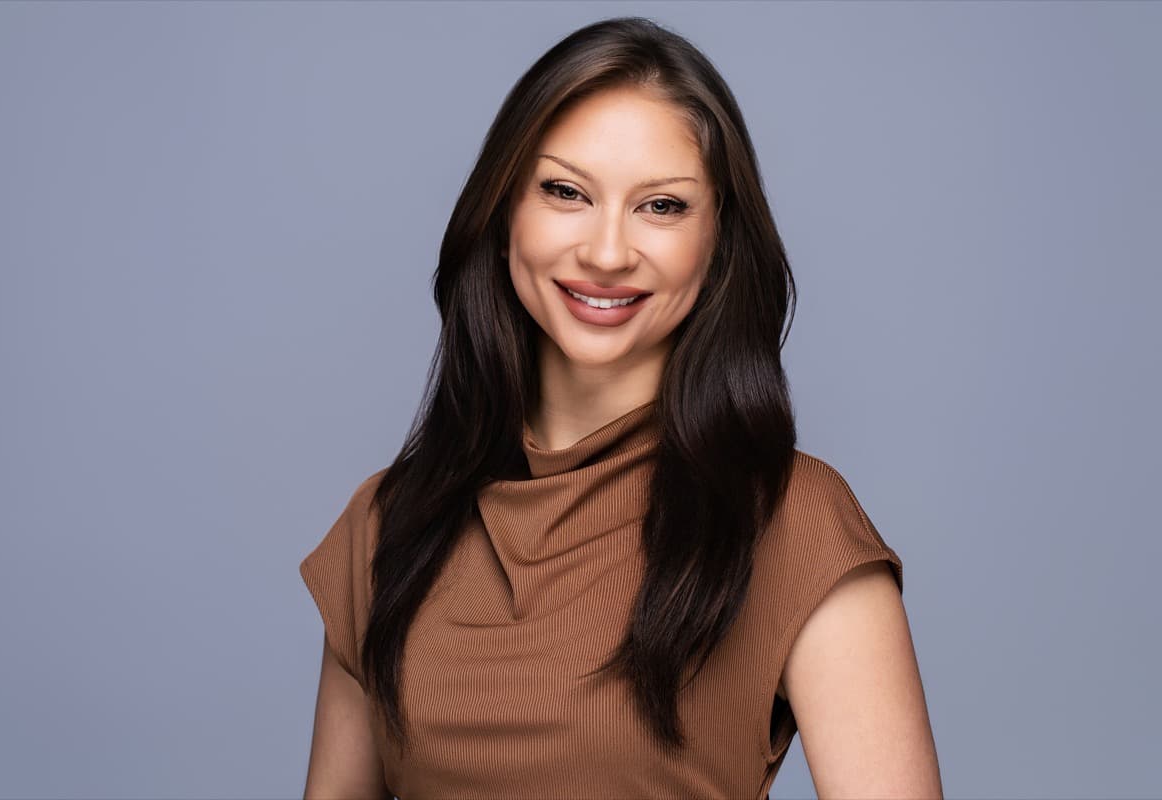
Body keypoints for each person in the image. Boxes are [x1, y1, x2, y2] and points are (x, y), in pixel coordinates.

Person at [299, 15, 942, 800]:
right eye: (565, 192)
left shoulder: (792, 522)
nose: (606, 253)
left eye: (662, 207)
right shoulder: (388, 524)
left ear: (717, 243)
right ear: (505, 211)